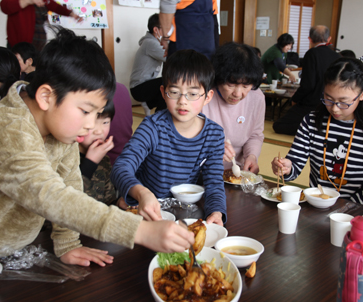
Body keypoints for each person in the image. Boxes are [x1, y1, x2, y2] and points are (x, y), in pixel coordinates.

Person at [0, 29, 194, 265]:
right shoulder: (9, 131)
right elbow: (52, 196)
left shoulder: (60, 128)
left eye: (98, 113)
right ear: (46, 97)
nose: (90, 125)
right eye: (85, 111)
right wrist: (140, 230)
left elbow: (70, 185)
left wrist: (67, 243)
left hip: (5, 248)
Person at [111, 49, 227, 225]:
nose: (183, 101)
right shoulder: (153, 127)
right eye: (174, 92)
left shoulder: (214, 135)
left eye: (193, 94)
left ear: (208, 96)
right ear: (163, 92)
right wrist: (141, 194)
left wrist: (216, 212)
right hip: (146, 211)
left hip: (181, 212)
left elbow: (214, 182)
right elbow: (121, 167)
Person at [271, 58, 363, 207]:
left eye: (344, 102)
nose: (335, 108)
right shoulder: (312, 121)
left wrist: (348, 207)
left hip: (359, 211)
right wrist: (286, 167)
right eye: (328, 99)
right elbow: (295, 163)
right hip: (318, 205)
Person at [202, 42, 265, 174]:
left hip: (236, 171)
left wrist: (252, 156)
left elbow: (255, 135)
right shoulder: (203, 96)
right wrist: (213, 147)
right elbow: (186, 137)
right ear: (218, 78)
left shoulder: (257, 97)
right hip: (202, 170)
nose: (238, 93)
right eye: (231, 84)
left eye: (246, 85)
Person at [273, 25, 340, 136]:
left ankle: (313, 130)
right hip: (331, 103)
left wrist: (295, 99)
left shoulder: (312, 54)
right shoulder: (337, 56)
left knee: (279, 125)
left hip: (312, 103)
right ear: (329, 39)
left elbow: (308, 84)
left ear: (310, 39)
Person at [0, 0, 83, 51]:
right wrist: (28, 1)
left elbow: (55, 6)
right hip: (21, 47)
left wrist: (71, 13)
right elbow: (4, 6)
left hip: (38, 46)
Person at [129, 14, 167, 116]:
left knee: (166, 87)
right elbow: (169, 57)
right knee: (168, 83)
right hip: (139, 88)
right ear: (156, 29)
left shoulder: (151, 42)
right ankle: (159, 118)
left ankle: (149, 104)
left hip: (141, 86)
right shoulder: (151, 44)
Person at [79, 105, 116, 205]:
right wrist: (90, 163)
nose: (99, 131)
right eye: (93, 122)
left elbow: (108, 200)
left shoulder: (103, 157)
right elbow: (71, 203)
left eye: (105, 122)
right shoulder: (65, 157)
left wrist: (119, 202)